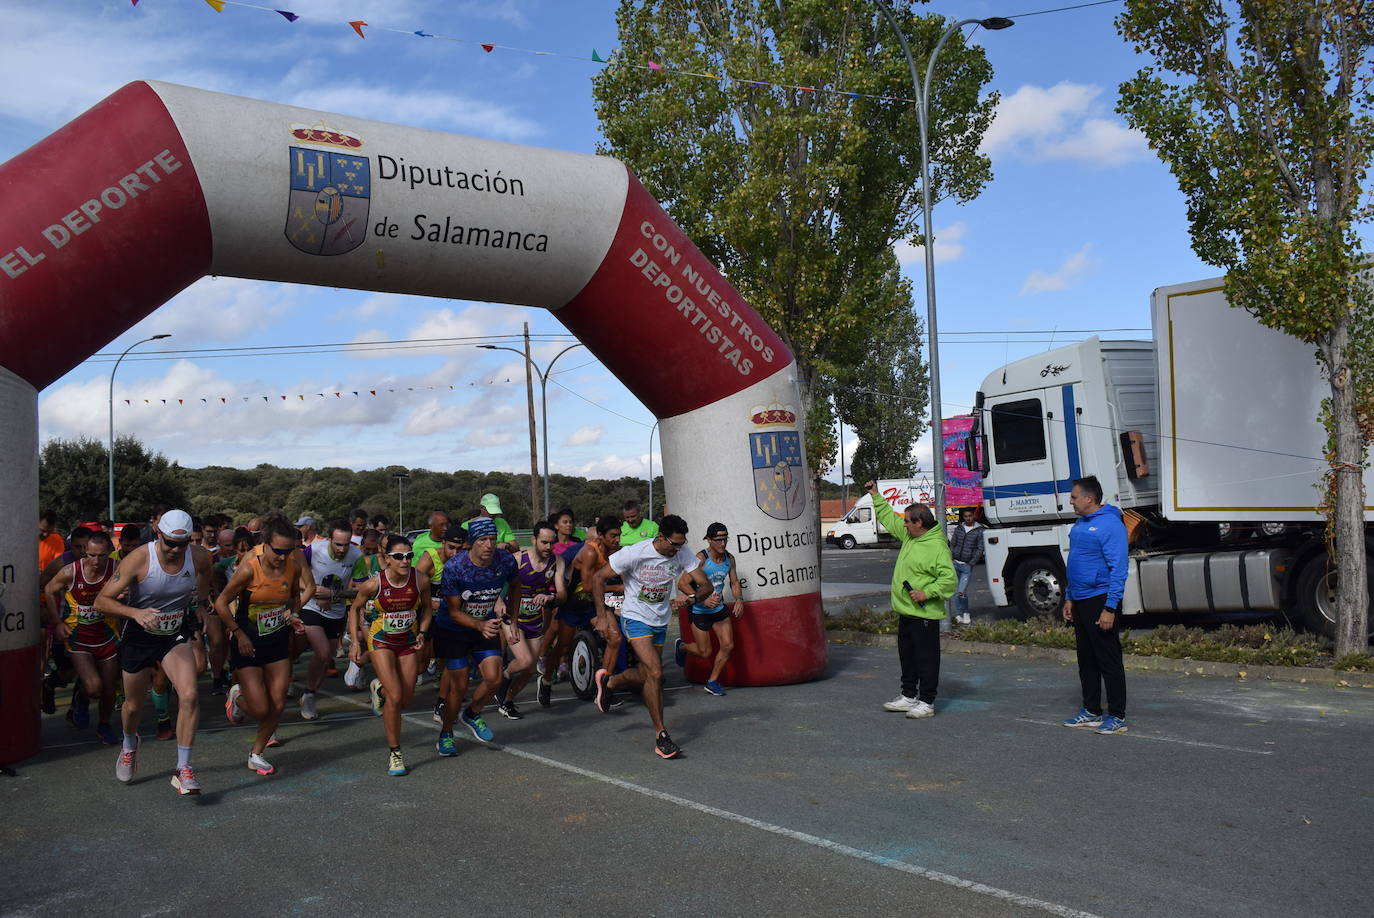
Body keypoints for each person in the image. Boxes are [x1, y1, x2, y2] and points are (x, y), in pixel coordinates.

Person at [94, 509, 212, 795]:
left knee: (190, 695)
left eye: (180, 545)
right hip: (139, 634)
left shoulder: (198, 556)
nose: (174, 550)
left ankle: (183, 769)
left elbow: (206, 575)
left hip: (173, 632)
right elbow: (101, 601)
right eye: (169, 542)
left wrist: (199, 604)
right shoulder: (139, 558)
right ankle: (129, 745)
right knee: (133, 707)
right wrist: (134, 612)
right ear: (159, 534)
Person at [591, 514, 709, 760]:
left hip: (660, 620)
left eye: (681, 544)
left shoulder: (682, 552)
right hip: (635, 618)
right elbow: (597, 577)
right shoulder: (635, 552)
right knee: (656, 673)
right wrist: (601, 617)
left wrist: (690, 598)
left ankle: (610, 683)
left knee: (647, 674)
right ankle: (661, 735)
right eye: (674, 544)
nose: (677, 549)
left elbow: (705, 585)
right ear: (660, 537)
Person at [216, 518, 307, 776]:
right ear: (264, 545)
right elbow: (222, 603)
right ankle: (236, 695)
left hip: (277, 639)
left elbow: (294, 597)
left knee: (278, 705)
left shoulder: (292, 567)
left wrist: (294, 615)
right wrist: (237, 633)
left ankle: (256, 754)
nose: (282, 557)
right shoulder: (248, 570)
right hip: (248, 642)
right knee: (260, 709)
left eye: (287, 551)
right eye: (277, 551)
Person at [868, 481, 956, 721]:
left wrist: (927, 593)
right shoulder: (910, 537)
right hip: (906, 611)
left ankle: (927, 701)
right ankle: (908, 696)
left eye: (907, 521)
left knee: (926, 659)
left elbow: (949, 580)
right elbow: (889, 518)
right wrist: (876, 495)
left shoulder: (937, 547)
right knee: (907, 655)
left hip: (924, 613)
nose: (904, 525)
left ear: (919, 523)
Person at [434, 517, 519, 753]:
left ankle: (472, 714)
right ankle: (446, 733)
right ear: (472, 543)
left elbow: (516, 585)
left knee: (494, 678)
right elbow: (452, 611)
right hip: (454, 629)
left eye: (492, 539)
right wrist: (479, 626)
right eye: (483, 540)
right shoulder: (455, 568)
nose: (489, 545)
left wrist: (513, 617)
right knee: (459, 688)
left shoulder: (505, 560)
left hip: (485, 625)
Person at [348, 534, 432, 775]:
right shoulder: (374, 585)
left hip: (407, 641)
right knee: (395, 698)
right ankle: (395, 753)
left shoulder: (420, 580)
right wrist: (355, 642)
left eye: (409, 556)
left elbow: (426, 608)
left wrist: (423, 632)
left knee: (405, 699)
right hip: (381, 641)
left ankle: (379, 689)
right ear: (387, 559)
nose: (405, 561)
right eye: (399, 557)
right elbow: (354, 610)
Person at [1061, 476, 1130, 735]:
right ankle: (1091, 710)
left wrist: (1110, 607)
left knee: (1108, 658)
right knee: (1086, 658)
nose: (1071, 501)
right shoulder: (1080, 524)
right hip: (1080, 599)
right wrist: (1069, 597)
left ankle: (1117, 715)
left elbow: (1119, 569)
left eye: (1074, 497)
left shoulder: (1110, 524)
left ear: (1089, 499)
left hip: (1100, 599)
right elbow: (1074, 564)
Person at [41, 529, 121, 744]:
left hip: (107, 635)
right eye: (91, 555)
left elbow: (135, 587)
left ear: (109, 553)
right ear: (85, 552)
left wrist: (125, 595)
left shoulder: (117, 569)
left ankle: (104, 725)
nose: (95, 561)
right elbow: (48, 590)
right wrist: (56, 622)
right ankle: (80, 698)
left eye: (101, 555)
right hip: (78, 637)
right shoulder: (71, 571)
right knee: (94, 686)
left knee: (108, 686)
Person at [540, 516, 621, 707]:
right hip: (575, 603)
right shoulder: (590, 553)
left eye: (619, 535)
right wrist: (616, 589)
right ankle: (545, 681)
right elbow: (586, 586)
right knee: (562, 647)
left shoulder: (614, 551)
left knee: (615, 638)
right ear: (600, 536)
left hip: (594, 603)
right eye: (613, 536)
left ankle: (605, 686)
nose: (617, 539)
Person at [496, 521, 566, 719]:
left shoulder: (557, 562)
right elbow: (496, 584)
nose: (548, 548)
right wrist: (499, 602)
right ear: (534, 540)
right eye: (544, 542)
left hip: (535, 619)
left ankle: (507, 701)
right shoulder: (517, 560)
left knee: (529, 669)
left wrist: (550, 597)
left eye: (552, 543)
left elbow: (562, 594)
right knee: (525, 660)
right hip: (512, 618)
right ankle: (504, 676)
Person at [295, 519, 362, 720]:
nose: (342, 549)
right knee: (323, 652)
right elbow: (295, 575)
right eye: (338, 544)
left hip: (336, 612)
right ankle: (306, 694)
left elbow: (359, 592)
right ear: (329, 539)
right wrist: (314, 592)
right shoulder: (314, 550)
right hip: (311, 608)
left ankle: (310, 692)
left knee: (326, 658)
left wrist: (333, 595)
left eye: (346, 544)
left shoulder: (357, 556)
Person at [674, 522, 744, 696]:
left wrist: (739, 599)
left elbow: (734, 582)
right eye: (719, 540)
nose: (723, 543)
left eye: (725, 539)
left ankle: (712, 681)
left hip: (718, 609)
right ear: (710, 540)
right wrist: (702, 600)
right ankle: (682, 647)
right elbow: (682, 583)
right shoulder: (701, 558)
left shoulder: (730, 559)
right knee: (705, 652)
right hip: (699, 611)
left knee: (728, 645)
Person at [414, 524, 466, 721]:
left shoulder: (465, 561)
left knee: (450, 662)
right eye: (451, 547)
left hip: (450, 619)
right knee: (420, 666)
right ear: (443, 543)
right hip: (427, 616)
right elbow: (414, 593)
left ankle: (441, 704)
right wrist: (441, 604)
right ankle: (383, 687)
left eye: (460, 549)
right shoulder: (429, 560)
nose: (455, 553)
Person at [948, 507, 985, 626]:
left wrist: (972, 562)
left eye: (970, 516)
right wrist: (951, 556)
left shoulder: (979, 530)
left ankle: (966, 613)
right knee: (957, 591)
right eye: (966, 516)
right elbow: (953, 542)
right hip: (955, 563)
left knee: (961, 591)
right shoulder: (959, 528)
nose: (968, 518)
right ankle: (959, 614)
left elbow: (980, 548)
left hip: (967, 566)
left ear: (974, 516)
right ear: (963, 517)